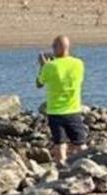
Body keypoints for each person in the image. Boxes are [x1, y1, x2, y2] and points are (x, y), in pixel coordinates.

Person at [35, 35, 88, 164]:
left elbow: (39, 83)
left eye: (53, 46)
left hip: (55, 111)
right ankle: (85, 164)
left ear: (58, 47)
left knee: (60, 144)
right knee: (80, 143)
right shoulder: (78, 63)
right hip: (73, 109)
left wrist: (43, 66)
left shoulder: (50, 67)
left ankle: (61, 168)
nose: (52, 49)